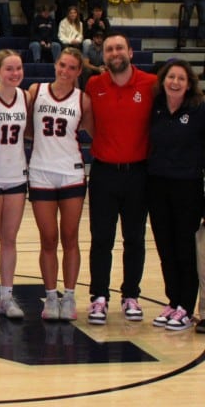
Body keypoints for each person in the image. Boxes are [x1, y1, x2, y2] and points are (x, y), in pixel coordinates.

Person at [85, 32, 156, 325]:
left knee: (135, 239)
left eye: (119, 48)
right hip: (103, 172)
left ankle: (131, 296)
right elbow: (90, 126)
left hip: (138, 173)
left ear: (130, 52)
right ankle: (99, 298)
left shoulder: (151, 84)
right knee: (101, 238)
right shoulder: (94, 84)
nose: (115, 53)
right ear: (104, 56)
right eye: (110, 49)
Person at [29, 48, 92, 321]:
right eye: (62, 65)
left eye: (71, 68)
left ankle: (69, 296)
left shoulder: (83, 100)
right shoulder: (36, 90)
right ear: (55, 65)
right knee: (48, 239)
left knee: (70, 237)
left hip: (71, 173)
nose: (65, 71)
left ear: (78, 72)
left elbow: (93, 133)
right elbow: (28, 129)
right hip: (41, 172)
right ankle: (50, 296)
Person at [147, 59, 205, 331]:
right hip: (158, 185)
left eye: (182, 78)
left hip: (188, 188)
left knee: (184, 249)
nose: (175, 82)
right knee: (165, 248)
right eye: (171, 77)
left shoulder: (198, 111)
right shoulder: (157, 108)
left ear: (189, 84)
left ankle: (185, 304)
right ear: (163, 79)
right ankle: (173, 301)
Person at [0, 50, 31, 321]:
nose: (15, 73)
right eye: (10, 69)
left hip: (16, 176)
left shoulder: (26, 97)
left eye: (19, 68)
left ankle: (6, 296)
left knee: (9, 240)